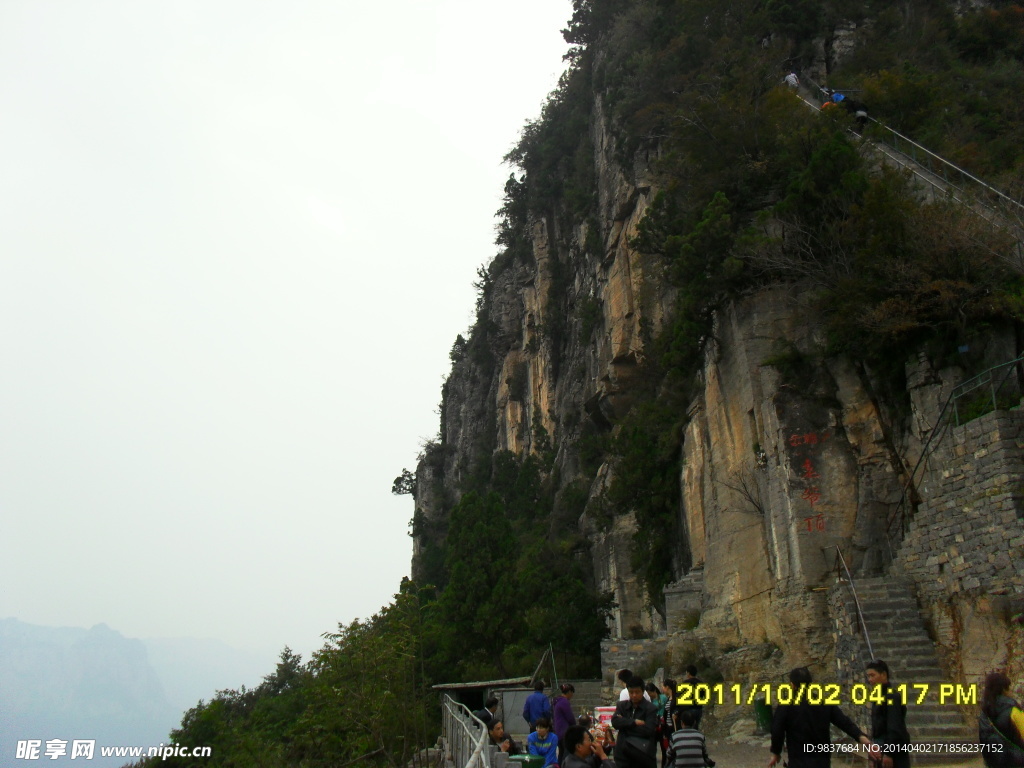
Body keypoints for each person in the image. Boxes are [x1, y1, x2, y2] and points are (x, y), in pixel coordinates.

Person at [767, 667, 871, 768]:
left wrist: (776, 752)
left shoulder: (786, 705)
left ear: (792, 685)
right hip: (822, 760)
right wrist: (861, 738)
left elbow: (777, 730)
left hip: (799, 759)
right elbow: (844, 723)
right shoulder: (824, 702)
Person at [866, 660, 910, 768]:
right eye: (868, 676)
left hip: (893, 751)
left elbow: (895, 727)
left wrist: (888, 753)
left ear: (884, 675)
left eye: (873, 675)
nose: (870, 679)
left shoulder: (892, 697)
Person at [612, 675, 659, 768]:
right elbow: (615, 722)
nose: (634, 695)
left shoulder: (651, 709)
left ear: (643, 691)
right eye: (631, 692)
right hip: (623, 756)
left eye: (637, 692)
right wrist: (633, 722)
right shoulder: (622, 706)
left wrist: (624, 726)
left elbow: (648, 730)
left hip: (642, 756)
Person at [979, 671, 1024, 767]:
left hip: (993, 762)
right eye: (1009, 688)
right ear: (1004, 689)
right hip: (1017, 762)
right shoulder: (1013, 710)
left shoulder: (984, 714)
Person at [554, 683, 578, 761]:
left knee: (561, 752)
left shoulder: (557, 701)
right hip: (565, 731)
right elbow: (570, 717)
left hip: (558, 731)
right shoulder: (564, 702)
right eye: (572, 693)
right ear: (569, 692)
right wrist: (575, 726)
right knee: (566, 754)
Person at [677, 666, 704, 731]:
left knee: (687, 728)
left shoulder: (684, 683)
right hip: (698, 709)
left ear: (688, 673)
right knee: (696, 727)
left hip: (688, 709)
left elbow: (679, 697)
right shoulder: (701, 683)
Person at [660, 679, 677, 768]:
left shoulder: (675, 699)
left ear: (667, 687)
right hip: (668, 728)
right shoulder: (668, 699)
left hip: (674, 728)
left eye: (663, 687)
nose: (662, 689)